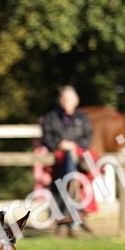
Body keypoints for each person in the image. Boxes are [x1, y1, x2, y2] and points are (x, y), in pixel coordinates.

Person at [39, 85, 95, 235]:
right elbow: (47, 137)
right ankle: (74, 219)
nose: (66, 102)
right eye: (64, 99)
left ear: (76, 101)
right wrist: (59, 145)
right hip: (58, 157)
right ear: (60, 100)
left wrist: (74, 146)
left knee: (70, 170)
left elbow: (87, 138)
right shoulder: (51, 117)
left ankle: (66, 219)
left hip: (78, 158)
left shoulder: (82, 118)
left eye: (69, 99)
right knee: (71, 176)